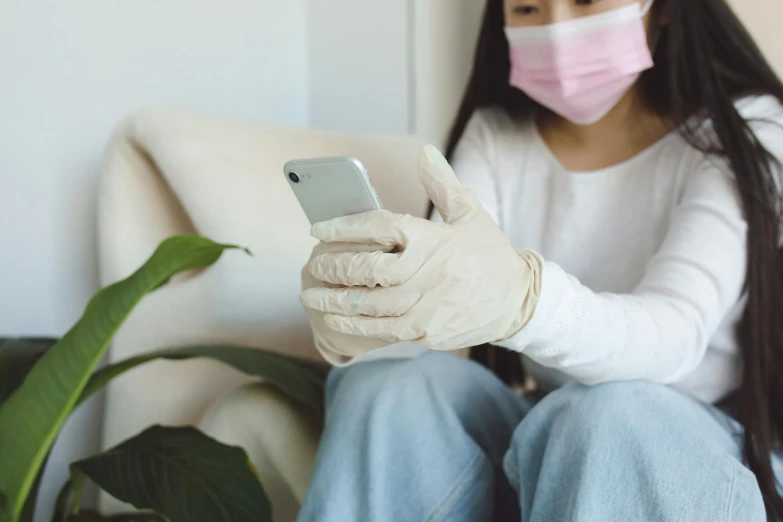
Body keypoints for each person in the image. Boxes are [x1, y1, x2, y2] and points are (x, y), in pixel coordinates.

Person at [296, 0, 783, 520]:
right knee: (390, 387)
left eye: (585, 0)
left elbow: (676, 331)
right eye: (527, 7)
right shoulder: (495, 135)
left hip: (690, 438)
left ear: (661, 8)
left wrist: (523, 300)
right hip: (551, 431)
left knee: (608, 412)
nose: (556, 31)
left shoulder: (745, 129)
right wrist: (372, 318)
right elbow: (448, 311)